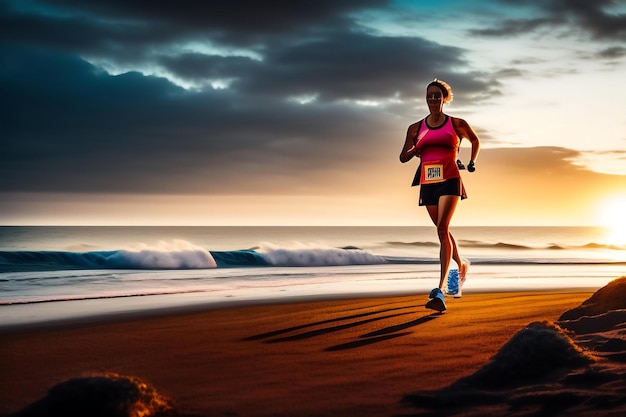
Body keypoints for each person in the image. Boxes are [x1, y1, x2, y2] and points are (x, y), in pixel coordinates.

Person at [399, 78, 480, 312]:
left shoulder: (456, 124)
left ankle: (441, 290)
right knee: (442, 230)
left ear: (444, 99)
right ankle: (461, 267)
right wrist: (417, 148)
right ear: (425, 99)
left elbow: (475, 140)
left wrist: (472, 161)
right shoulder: (415, 128)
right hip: (428, 181)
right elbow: (403, 157)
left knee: (443, 229)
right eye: (429, 96)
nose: (433, 99)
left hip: (451, 178)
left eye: (438, 96)